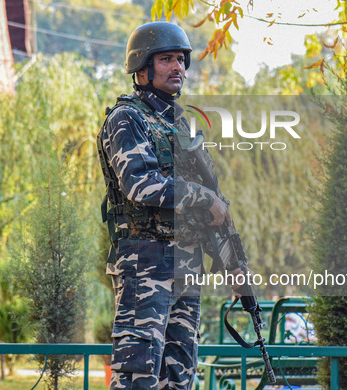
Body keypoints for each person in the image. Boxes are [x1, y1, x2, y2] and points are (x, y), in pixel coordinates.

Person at [96, 21, 232, 389]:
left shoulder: (179, 127)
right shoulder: (127, 119)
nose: (178, 68)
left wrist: (229, 263)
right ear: (142, 68)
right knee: (138, 376)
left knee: (179, 377)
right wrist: (205, 198)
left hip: (186, 266)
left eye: (182, 61)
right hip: (145, 265)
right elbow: (141, 184)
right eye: (167, 59)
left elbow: (208, 211)